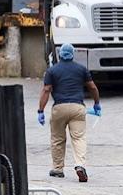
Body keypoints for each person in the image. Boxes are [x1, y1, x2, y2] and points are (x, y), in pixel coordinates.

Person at [38, 43, 101, 182]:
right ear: (73, 54)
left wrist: (40, 110)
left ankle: (58, 169)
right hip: (77, 108)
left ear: (60, 55)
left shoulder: (52, 71)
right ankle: (80, 165)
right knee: (78, 138)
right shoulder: (81, 69)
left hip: (59, 108)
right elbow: (92, 87)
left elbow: (46, 90)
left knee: (57, 139)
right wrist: (96, 103)